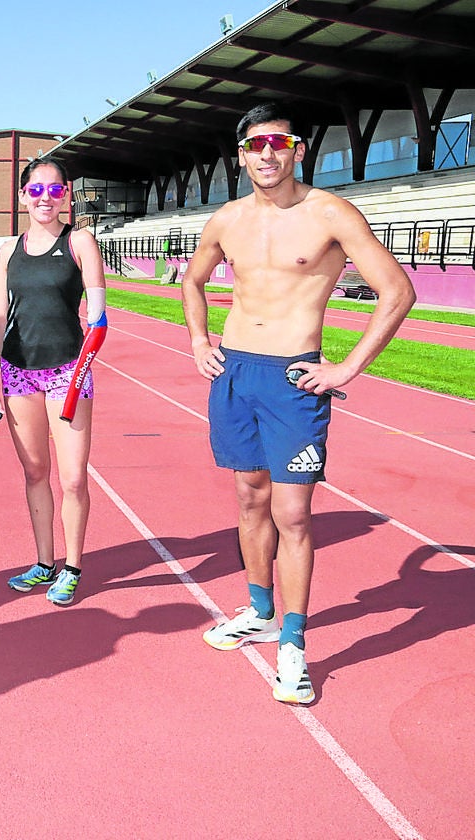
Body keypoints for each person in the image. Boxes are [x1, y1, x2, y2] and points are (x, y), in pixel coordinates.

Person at [181, 101, 416, 705]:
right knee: (249, 496)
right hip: (235, 373)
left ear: (298, 150)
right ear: (240, 154)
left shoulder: (329, 213)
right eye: (255, 144)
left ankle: (293, 642)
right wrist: (200, 340)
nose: (267, 153)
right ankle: (259, 611)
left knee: (294, 514)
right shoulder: (227, 219)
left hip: (292, 380)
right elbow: (193, 280)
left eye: (278, 143)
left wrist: (346, 366)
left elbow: (397, 290)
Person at [0, 156, 107, 607]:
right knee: (35, 471)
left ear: (67, 194)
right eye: (36, 190)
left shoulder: (81, 242)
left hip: (66, 371)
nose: (45, 198)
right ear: (22, 196)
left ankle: (72, 567)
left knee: (73, 478)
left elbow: (98, 320)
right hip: (17, 371)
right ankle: (44, 561)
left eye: (55, 190)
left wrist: (80, 373)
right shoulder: (7, 251)